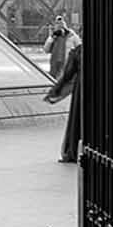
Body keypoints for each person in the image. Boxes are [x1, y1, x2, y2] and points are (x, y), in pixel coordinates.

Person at [45, 32, 81, 162]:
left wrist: (55, 92)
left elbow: (67, 75)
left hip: (81, 90)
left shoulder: (78, 52)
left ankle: (74, 150)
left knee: (78, 119)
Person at [47, 18, 80, 83]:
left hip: (66, 61)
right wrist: (52, 37)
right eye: (57, 23)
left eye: (61, 23)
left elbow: (79, 45)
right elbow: (46, 49)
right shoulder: (54, 35)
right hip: (55, 63)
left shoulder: (71, 35)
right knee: (54, 80)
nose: (60, 25)